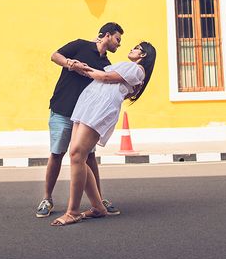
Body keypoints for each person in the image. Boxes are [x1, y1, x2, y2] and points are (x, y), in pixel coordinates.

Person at [51, 41, 157, 226]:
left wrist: (79, 68)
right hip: (89, 105)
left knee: (77, 154)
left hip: (100, 109)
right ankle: (98, 207)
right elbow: (103, 77)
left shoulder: (138, 70)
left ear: (143, 55)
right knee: (77, 156)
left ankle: (73, 211)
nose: (130, 49)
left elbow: (106, 77)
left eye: (136, 48)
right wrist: (80, 67)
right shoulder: (127, 66)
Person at [35, 22, 123, 219]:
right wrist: (71, 64)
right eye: (117, 39)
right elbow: (55, 56)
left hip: (85, 118)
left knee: (89, 158)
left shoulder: (106, 64)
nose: (119, 45)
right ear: (107, 35)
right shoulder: (80, 45)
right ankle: (47, 198)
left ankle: (98, 201)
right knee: (57, 154)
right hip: (62, 109)